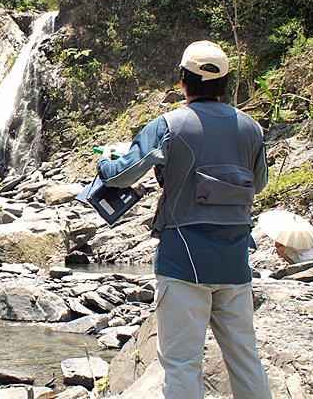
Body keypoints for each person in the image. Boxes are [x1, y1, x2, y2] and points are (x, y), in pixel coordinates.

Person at [97, 40, 271, 399]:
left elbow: (120, 176)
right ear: (225, 83)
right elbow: (260, 182)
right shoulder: (251, 128)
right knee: (245, 358)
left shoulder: (169, 124)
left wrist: (107, 159)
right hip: (235, 262)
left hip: (183, 261)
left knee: (181, 363)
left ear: (182, 80)